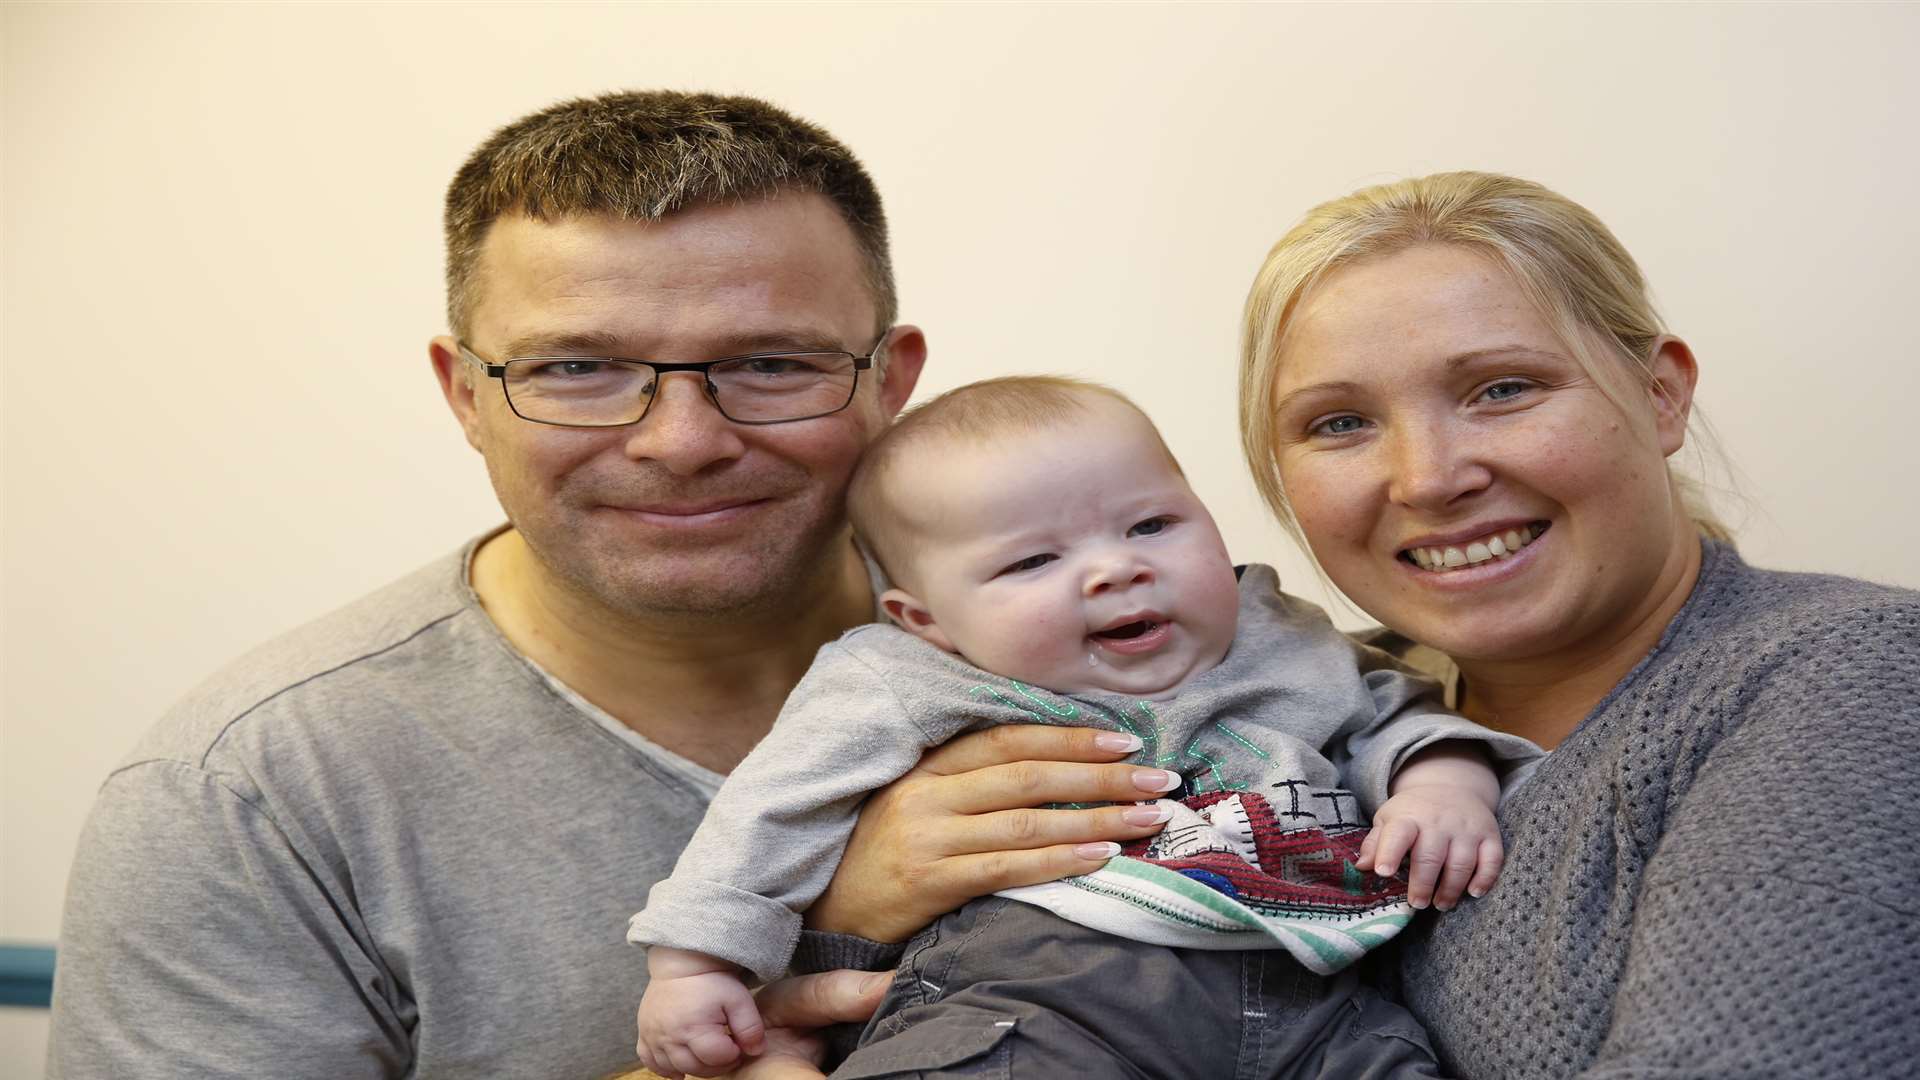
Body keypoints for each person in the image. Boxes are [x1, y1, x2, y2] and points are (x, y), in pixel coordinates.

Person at [47, 91, 1173, 1080]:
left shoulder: (1133, 624)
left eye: (771, 363)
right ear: (465, 396)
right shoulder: (245, 802)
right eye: (577, 369)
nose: (679, 442)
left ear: (891, 381)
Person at [629, 377, 1540, 1079]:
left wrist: (1442, 781)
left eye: (1151, 524)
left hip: (1317, 997)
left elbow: (1392, 711)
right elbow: (775, 804)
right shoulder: (905, 678)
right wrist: (695, 965)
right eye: (1033, 560)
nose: (1115, 570)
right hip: (1038, 996)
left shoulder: (1278, 633)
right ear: (927, 619)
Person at [1236, 170, 1920, 1077]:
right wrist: (989, 858)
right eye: (1342, 422)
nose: (1428, 477)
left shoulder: (1848, 675)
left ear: (1662, 395)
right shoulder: (1288, 706)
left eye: (1503, 389)